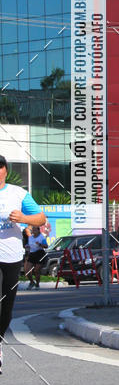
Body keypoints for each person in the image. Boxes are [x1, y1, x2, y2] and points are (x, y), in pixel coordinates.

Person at [0, 155, 47, 372]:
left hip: (11, 257)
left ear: (5, 171)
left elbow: (41, 218)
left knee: (6, 306)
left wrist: (23, 218)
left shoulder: (18, 194)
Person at [25, 225, 48, 289]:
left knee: (36, 270)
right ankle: (32, 282)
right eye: (32, 229)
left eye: (35, 229)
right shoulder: (30, 237)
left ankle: (37, 284)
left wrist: (40, 244)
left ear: (38, 230)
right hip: (32, 254)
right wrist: (27, 246)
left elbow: (46, 246)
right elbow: (28, 245)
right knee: (27, 270)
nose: (33, 231)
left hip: (40, 253)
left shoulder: (41, 237)